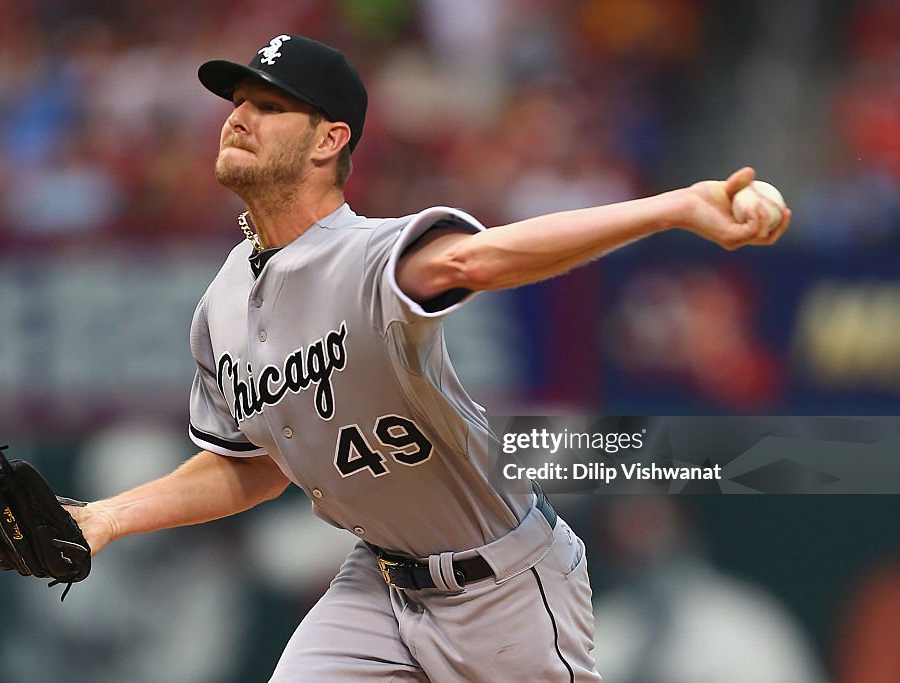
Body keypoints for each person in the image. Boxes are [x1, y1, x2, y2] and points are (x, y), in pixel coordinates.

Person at [65, 33, 790, 683]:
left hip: (502, 583)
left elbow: (479, 258)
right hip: (376, 580)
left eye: (269, 105)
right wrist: (106, 517)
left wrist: (672, 208)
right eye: (238, 99)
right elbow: (249, 466)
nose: (238, 115)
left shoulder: (368, 254)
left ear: (328, 140)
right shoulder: (221, 302)